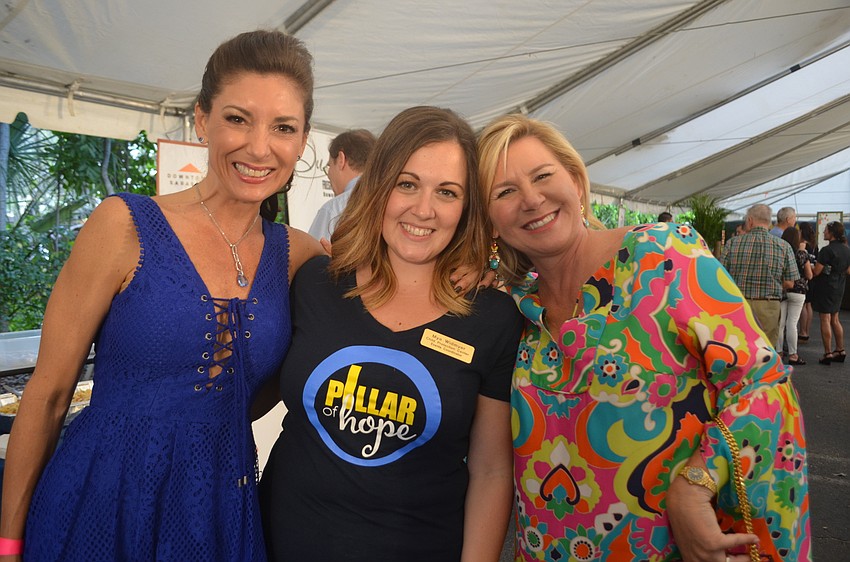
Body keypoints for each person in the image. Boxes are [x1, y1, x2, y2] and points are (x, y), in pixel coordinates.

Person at [0, 30, 323, 561]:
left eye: (283, 127)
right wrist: (9, 541)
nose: (259, 146)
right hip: (101, 501)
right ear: (202, 119)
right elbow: (49, 393)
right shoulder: (124, 224)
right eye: (237, 118)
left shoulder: (301, 256)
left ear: (302, 138)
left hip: (219, 509)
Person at [477, 114, 810, 562]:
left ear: (576, 182)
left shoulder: (661, 256)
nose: (532, 199)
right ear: (491, 222)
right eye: (505, 192)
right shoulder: (514, 309)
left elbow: (761, 382)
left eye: (542, 176)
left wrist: (697, 484)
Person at [259, 106, 524, 562]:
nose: (423, 209)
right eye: (407, 183)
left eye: (447, 192)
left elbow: (491, 471)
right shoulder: (314, 281)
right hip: (278, 542)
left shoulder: (493, 318)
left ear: (466, 208)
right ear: (380, 185)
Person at [721, 204, 799, 348]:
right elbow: (790, 283)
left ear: (750, 220)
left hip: (739, 305)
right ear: (769, 222)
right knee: (766, 351)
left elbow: (721, 277)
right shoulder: (784, 246)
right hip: (769, 306)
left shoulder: (732, 243)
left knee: (740, 348)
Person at [307, 128, 377, 241]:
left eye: (329, 166)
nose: (328, 174)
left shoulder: (333, 210)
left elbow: (313, 255)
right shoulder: (390, 201)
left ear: (341, 159)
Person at [810, 221, 850, 365]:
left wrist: (810, 264)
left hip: (826, 287)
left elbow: (816, 272)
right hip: (840, 286)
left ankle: (827, 353)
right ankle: (840, 350)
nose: (824, 232)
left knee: (825, 319)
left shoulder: (826, 250)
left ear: (831, 233)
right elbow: (848, 270)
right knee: (835, 319)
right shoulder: (847, 249)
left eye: (826, 230)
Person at [777, 226, 812, 365]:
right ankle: (793, 355)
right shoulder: (802, 253)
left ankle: (779, 352)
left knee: (780, 324)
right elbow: (809, 274)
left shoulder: (781, 252)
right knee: (792, 323)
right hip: (798, 291)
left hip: (784, 289)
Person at [798, 221, 818, 341]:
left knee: (803, 305)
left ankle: (802, 331)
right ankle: (807, 330)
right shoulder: (815, 246)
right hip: (813, 277)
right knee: (809, 305)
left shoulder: (802, 245)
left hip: (804, 277)